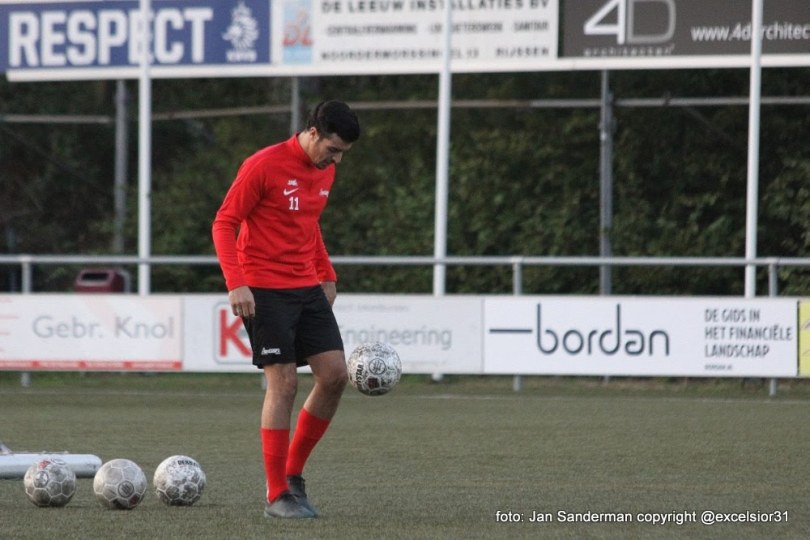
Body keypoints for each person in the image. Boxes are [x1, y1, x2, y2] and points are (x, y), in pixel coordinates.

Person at [212, 100, 360, 519]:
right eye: (332, 149)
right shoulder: (263, 165)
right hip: (263, 286)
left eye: (342, 154)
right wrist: (236, 282)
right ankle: (276, 495)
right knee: (285, 384)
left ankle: (293, 477)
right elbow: (224, 223)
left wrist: (325, 270)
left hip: (305, 285)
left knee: (334, 376)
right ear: (313, 132)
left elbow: (307, 224)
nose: (336, 160)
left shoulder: (324, 169)